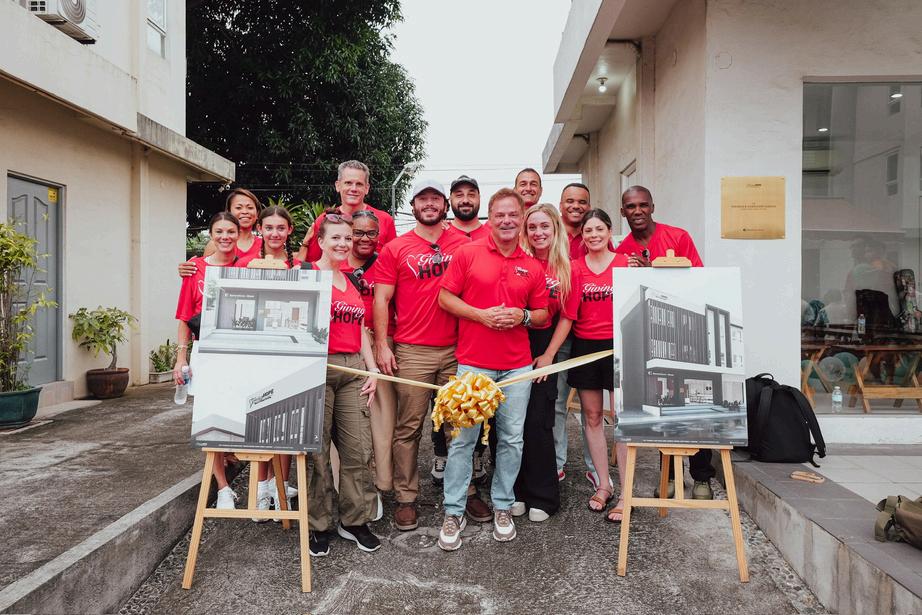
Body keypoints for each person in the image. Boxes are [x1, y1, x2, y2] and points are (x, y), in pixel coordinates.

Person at [373, 180, 490, 531]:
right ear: (413, 206)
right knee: (409, 427)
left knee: (461, 427)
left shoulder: (464, 244)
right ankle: (406, 497)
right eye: (422, 198)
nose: (429, 204)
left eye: (435, 198)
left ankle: (466, 490)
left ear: (445, 205)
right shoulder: (396, 247)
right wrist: (382, 345)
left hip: (458, 348)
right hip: (413, 350)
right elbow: (382, 298)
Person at [436, 188, 549, 551]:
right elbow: (444, 297)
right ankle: (453, 511)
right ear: (490, 216)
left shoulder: (532, 265)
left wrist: (523, 316)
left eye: (513, 215)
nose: (506, 221)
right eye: (499, 215)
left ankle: (503, 505)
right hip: (473, 364)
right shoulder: (467, 253)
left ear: (522, 218)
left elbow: (543, 314)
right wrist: (480, 315)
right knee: (463, 441)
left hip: (516, 367)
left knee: (512, 439)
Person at [614, 185, 713, 500]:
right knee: (664, 403)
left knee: (695, 406)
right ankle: (668, 473)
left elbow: (698, 280)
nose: (638, 211)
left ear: (653, 207)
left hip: (689, 333)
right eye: (631, 206)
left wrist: (654, 273)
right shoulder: (622, 250)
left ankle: (701, 477)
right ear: (622, 211)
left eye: (643, 205)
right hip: (653, 337)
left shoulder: (678, 237)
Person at [538, 209, 631, 522]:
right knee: (592, 417)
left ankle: (627, 494)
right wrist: (550, 354)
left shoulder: (624, 264)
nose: (593, 235)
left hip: (620, 347)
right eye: (588, 231)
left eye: (599, 229)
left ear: (609, 231)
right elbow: (568, 316)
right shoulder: (575, 268)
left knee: (622, 420)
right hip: (586, 348)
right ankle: (604, 485)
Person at [307, 214, 380, 556]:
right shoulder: (306, 274)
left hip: (353, 369)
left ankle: (354, 521)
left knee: (358, 450)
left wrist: (372, 368)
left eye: (347, 238)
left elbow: (360, 328)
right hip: (317, 368)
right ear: (321, 241)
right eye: (335, 237)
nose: (343, 244)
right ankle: (318, 524)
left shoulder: (350, 279)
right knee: (317, 452)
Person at [173, 212, 240, 509]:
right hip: (206, 352)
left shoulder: (246, 267)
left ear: (238, 234)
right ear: (211, 234)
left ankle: (235, 462)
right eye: (219, 232)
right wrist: (181, 357)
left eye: (230, 232)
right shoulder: (195, 269)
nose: (225, 237)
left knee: (236, 416)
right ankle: (222, 487)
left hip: (239, 355)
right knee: (209, 420)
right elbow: (185, 317)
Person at [511, 203, 569, 522]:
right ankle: (515, 491)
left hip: (546, 344)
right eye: (532, 227)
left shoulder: (567, 268)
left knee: (540, 420)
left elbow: (567, 317)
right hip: (516, 341)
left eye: (544, 226)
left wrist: (548, 356)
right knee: (513, 421)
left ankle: (543, 496)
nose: (538, 233)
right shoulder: (518, 262)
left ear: (555, 228)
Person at [435, 174, 490, 480]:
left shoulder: (492, 232)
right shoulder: (440, 233)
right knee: (443, 401)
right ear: (450, 202)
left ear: (480, 199)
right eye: (459, 194)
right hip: (442, 331)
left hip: (480, 335)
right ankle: (441, 455)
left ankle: (478, 456)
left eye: (471, 193)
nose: (465, 199)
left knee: (477, 400)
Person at [340, 210, 397, 504]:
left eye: (371, 233)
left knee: (383, 417)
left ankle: (381, 483)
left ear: (379, 235)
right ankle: (346, 488)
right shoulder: (336, 263)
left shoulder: (386, 261)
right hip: (345, 343)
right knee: (346, 419)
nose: (364, 238)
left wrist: (385, 344)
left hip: (379, 340)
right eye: (358, 233)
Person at [552, 183, 603, 490]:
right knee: (558, 402)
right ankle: (557, 463)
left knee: (591, 409)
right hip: (559, 329)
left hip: (590, 335)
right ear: (561, 204)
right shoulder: (552, 233)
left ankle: (594, 467)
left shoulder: (595, 233)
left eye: (582, 201)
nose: (575, 206)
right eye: (569, 201)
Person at [297, 160, 397, 262]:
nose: (353, 189)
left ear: (367, 188)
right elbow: (314, 262)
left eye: (359, 184)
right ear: (338, 186)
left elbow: (393, 261)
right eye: (348, 183)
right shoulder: (324, 220)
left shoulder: (385, 220)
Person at [177, 187, 263, 277]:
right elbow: (204, 276)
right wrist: (189, 270)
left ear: (257, 213)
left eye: (250, 208)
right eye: (238, 207)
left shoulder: (265, 245)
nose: (245, 212)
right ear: (229, 212)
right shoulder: (214, 244)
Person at [445, 175, 490, 241]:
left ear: (479, 198)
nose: (465, 201)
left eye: (471, 195)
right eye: (459, 195)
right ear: (450, 199)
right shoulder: (439, 235)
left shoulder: (494, 236)